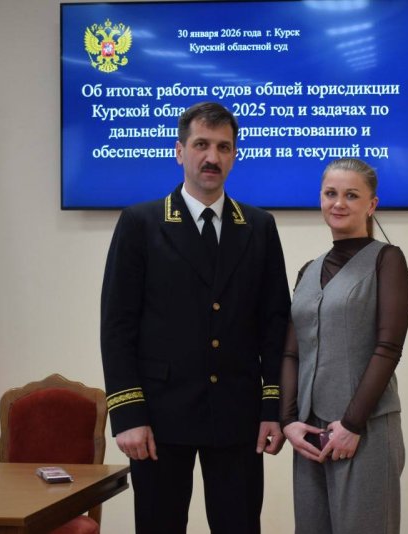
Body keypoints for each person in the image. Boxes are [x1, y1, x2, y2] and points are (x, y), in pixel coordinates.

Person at [100, 101, 291, 533]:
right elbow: (117, 326)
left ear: (235, 155)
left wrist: (272, 407)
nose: (212, 157)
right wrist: (128, 415)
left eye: (223, 147)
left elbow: (274, 324)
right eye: (201, 144)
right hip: (159, 417)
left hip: (238, 414)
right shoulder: (141, 223)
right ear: (179, 151)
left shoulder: (259, 226)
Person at [280, 157, 408, 534]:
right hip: (310, 432)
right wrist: (289, 422)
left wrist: (352, 424)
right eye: (330, 194)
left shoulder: (387, 260)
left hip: (365, 428)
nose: (338, 203)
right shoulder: (308, 270)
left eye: (351, 195)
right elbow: (291, 352)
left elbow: (388, 348)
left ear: (372, 204)